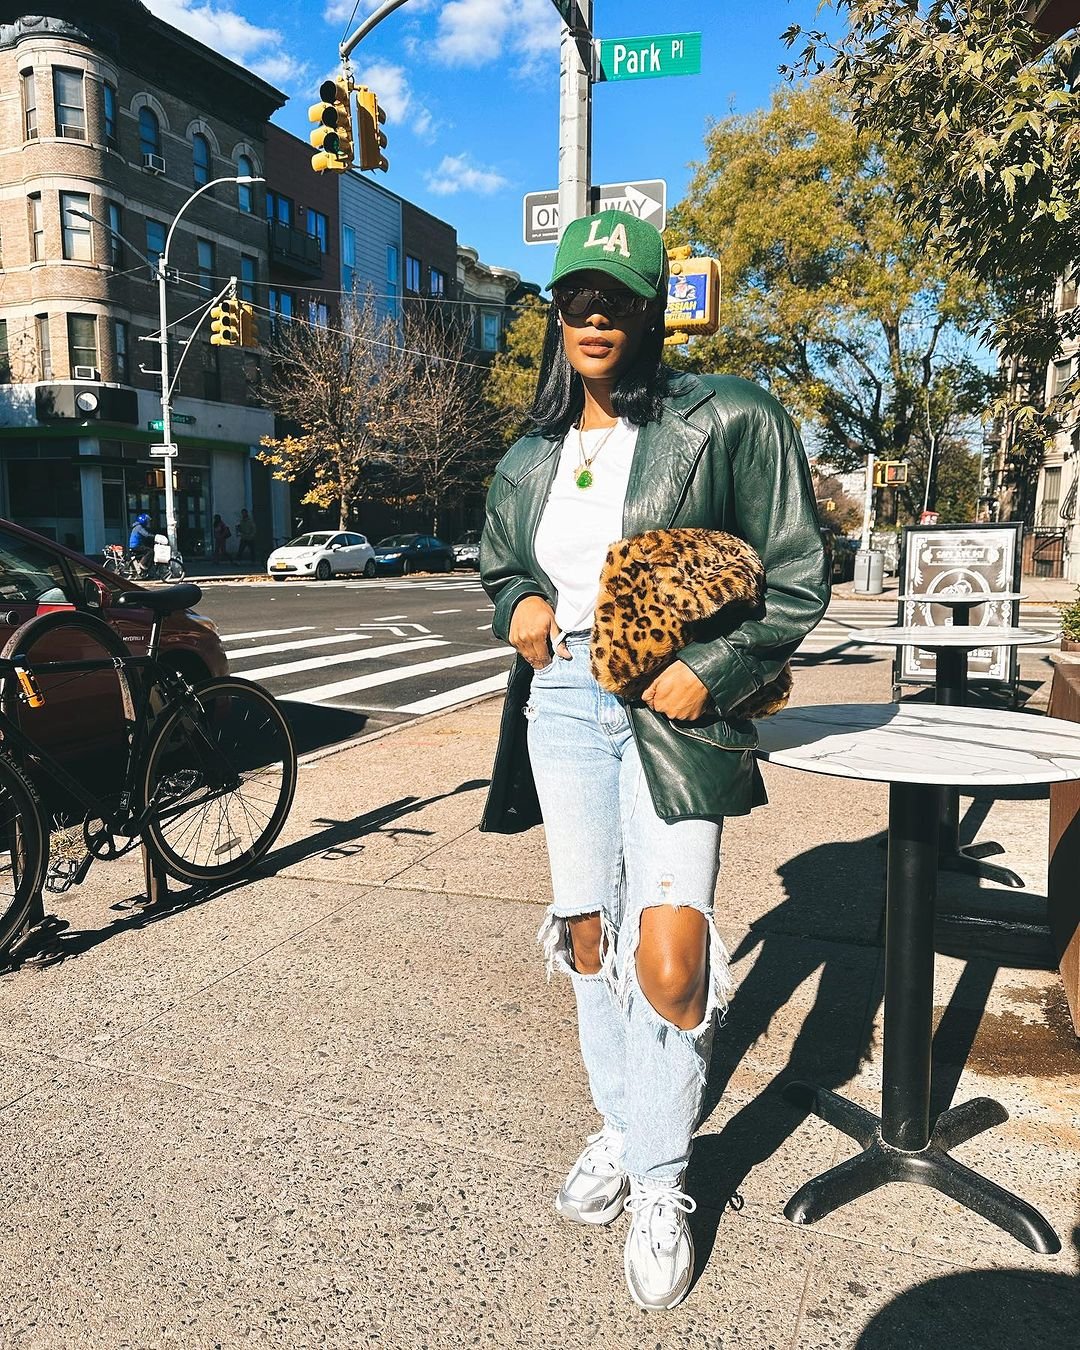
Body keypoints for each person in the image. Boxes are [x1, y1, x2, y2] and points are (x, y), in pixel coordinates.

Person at [479, 209, 828, 1312]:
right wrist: (522, 603)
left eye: (618, 299)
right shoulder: (529, 457)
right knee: (587, 936)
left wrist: (715, 671)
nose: (595, 317)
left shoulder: (728, 419)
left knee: (671, 961)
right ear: (557, 314)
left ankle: (665, 1184)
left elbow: (797, 575)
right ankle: (631, 1135)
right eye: (577, 298)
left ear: (650, 310)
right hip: (565, 705)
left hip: (673, 704)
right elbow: (499, 569)